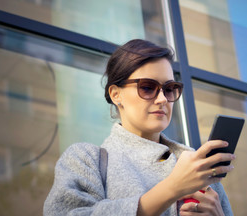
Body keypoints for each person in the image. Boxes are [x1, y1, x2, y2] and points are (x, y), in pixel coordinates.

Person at [44, 39, 235, 216]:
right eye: (147, 87)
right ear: (116, 94)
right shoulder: (86, 160)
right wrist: (172, 188)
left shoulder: (197, 166)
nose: (162, 99)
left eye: (169, 89)